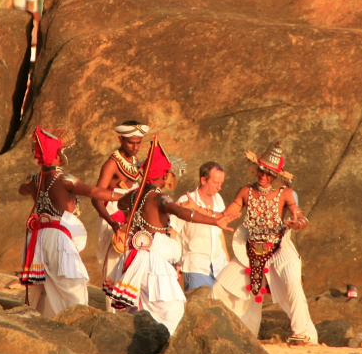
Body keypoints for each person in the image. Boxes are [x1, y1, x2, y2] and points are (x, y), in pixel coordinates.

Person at [105, 138, 223, 335]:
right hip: (153, 260)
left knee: (141, 307)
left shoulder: (136, 195)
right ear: (164, 175)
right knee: (171, 309)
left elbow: (121, 204)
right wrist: (213, 221)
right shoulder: (160, 197)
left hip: (137, 256)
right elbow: (179, 212)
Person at [213, 141, 318, 345]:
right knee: (219, 288)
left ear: (277, 176)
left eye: (269, 174)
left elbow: (301, 217)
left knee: (293, 283)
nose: (263, 176)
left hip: (280, 250)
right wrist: (203, 214)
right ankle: (229, 332)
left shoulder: (285, 194)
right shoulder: (245, 191)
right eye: (261, 171)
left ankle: (303, 333)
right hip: (250, 253)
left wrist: (297, 223)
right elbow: (226, 213)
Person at [18, 128, 123, 317]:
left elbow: (22, 190)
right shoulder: (65, 179)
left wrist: (29, 185)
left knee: (46, 288)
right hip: (58, 239)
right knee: (73, 289)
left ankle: (46, 325)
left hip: (38, 237)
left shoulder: (35, 180)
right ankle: (75, 327)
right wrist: (122, 197)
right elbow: (93, 191)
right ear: (58, 155)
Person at [92, 121, 148, 308]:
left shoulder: (136, 162)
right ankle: (111, 313)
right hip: (112, 218)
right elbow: (96, 197)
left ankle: (127, 308)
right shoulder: (112, 164)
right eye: (131, 142)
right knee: (113, 264)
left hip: (131, 218)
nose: (135, 147)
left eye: (139, 142)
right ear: (120, 140)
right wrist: (112, 223)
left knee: (131, 261)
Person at [172, 161, 230, 291]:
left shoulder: (218, 200)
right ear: (203, 180)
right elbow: (173, 232)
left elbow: (220, 233)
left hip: (219, 266)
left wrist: (227, 260)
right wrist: (174, 261)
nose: (219, 187)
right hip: (196, 265)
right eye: (215, 183)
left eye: (221, 183)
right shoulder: (185, 201)